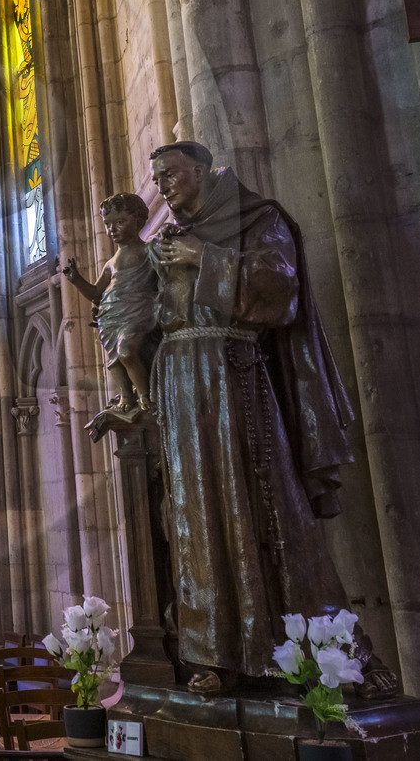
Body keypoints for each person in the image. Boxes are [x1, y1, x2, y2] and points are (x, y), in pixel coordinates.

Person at [145, 141, 358, 694]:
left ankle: (302, 653)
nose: (164, 187)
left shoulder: (256, 219)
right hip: (180, 383)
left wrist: (203, 257)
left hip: (232, 373)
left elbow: (278, 288)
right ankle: (211, 652)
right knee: (193, 520)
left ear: (203, 172)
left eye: (171, 175)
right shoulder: (167, 237)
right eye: (159, 178)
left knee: (255, 503)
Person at [63, 192, 160, 418]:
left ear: (137, 220)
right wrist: (76, 279)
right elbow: (96, 293)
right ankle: (127, 396)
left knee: (125, 352)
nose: (112, 230)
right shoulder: (111, 262)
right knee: (114, 363)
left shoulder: (149, 250)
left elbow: (163, 281)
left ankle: (146, 396)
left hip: (138, 312)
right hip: (110, 317)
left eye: (120, 222)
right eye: (107, 225)